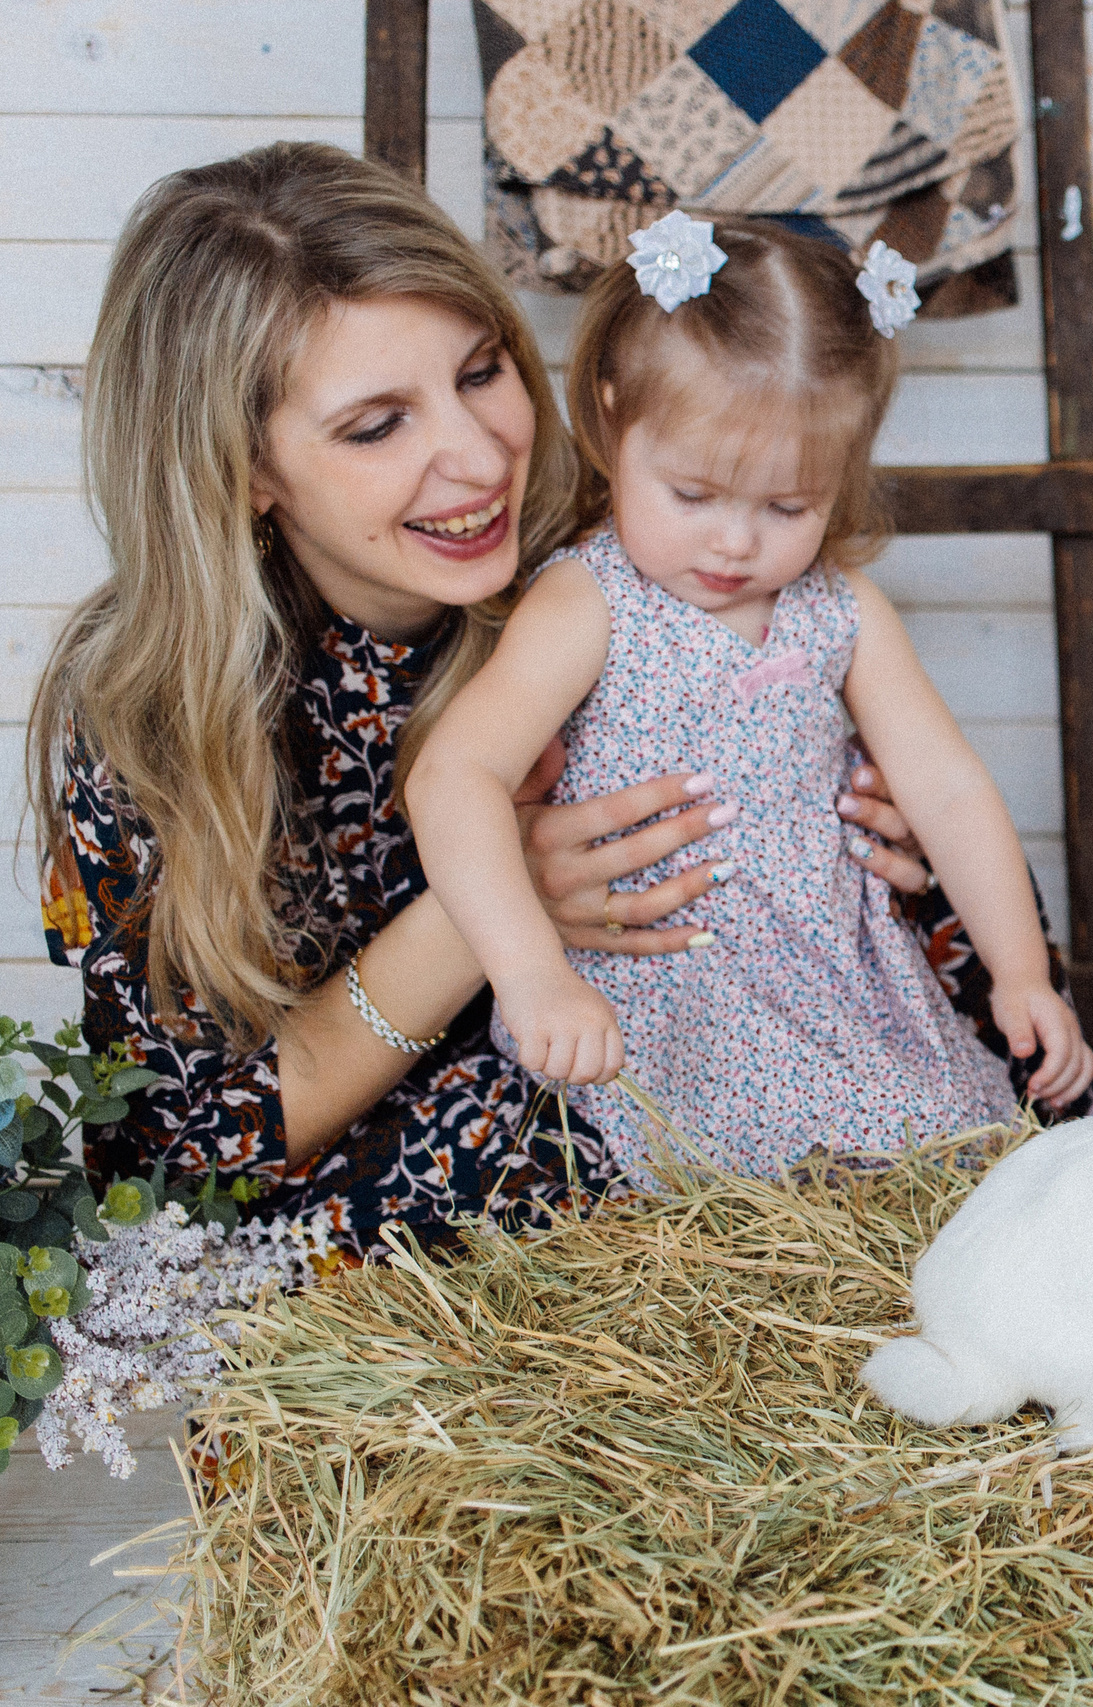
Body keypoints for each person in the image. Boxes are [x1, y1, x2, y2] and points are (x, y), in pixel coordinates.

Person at [27, 144, 967, 1254]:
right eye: (377, 426)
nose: (477, 459)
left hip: (743, 1151)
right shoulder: (152, 711)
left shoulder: (652, 552)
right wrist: (496, 908)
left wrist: (895, 859)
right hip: (411, 1254)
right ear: (245, 469)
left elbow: (971, 936)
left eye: (481, 374)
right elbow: (185, 1155)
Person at [408, 213, 1092, 1184]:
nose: (735, 544)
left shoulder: (841, 610)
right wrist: (530, 976)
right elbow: (455, 775)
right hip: (668, 988)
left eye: (788, 507)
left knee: (933, 1156)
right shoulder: (588, 602)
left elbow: (945, 787)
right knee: (721, 1174)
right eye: (693, 495)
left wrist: (1021, 973)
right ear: (611, 420)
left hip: (835, 978)